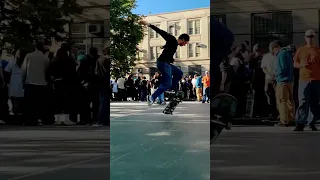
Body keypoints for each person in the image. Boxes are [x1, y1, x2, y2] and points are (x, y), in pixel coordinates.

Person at [139, 20, 190, 106]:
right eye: (185, 43)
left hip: (166, 63)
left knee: (179, 73)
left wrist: (164, 47)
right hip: (163, 63)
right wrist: (148, 24)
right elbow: (161, 32)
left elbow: (169, 47)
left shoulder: (173, 44)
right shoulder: (172, 39)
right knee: (167, 83)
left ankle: (172, 88)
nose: (184, 45)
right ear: (183, 40)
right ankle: (152, 97)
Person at [294, 30, 320, 131]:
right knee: (303, 101)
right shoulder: (301, 50)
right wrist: (302, 65)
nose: (310, 38)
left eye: (312, 36)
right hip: (304, 79)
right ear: (305, 38)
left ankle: (312, 122)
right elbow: (295, 64)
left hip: (317, 79)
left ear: (314, 37)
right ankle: (300, 123)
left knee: (315, 102)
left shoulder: (318, 50)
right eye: (308, 36)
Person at [271, 40, 295, 127]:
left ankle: (284, 120)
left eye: (273, 49)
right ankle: (291, 118)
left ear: (276, 47)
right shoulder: (288, 53)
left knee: (282, 100)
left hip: (282, 80)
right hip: (290, 80)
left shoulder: (281, 54)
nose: (273, 52)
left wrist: (276, 75)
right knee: (290, 100)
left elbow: (282, 67)